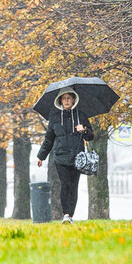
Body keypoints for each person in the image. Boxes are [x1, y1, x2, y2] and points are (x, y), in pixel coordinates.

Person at [37, 87, 94, 224]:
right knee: (65, 184)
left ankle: (71, 216)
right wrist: (41, 156)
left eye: (69, 98)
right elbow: (49, 140)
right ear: (60, 101)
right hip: (60, 157)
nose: (67, 100)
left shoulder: (81, 116)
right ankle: (66, 214)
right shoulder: (55, 118)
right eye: (64, 98)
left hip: (78, 157)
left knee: (74, 186)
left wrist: (84, 130)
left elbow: (91, 136)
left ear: (74, 99)